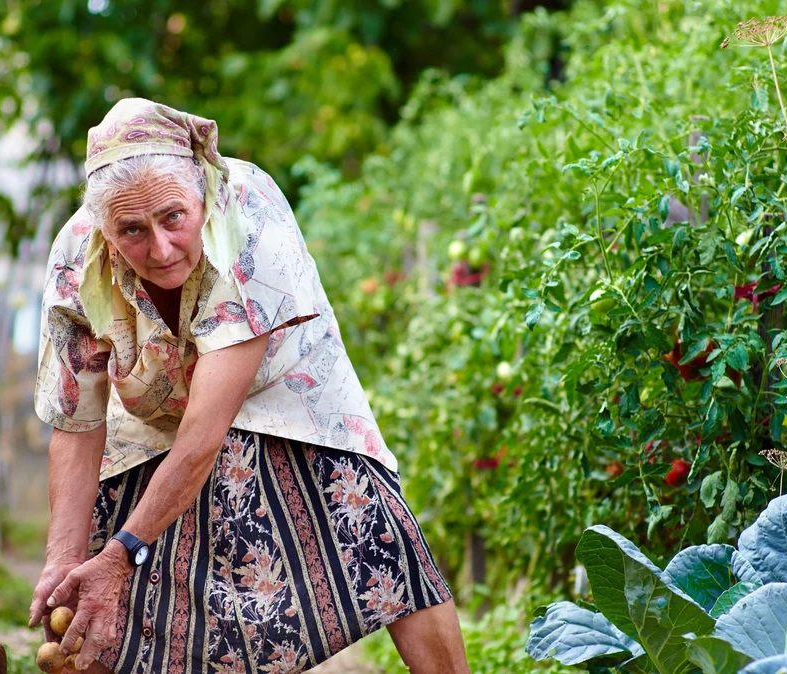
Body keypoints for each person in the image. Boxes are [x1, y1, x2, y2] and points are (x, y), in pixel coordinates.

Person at [27, 97, 468, 674]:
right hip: (152, 410)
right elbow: (78, 421)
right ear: (104, 230)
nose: (159, 249)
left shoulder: (248, 219)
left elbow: (206, 432)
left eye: (173, 218)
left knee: (380, 541)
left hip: (285, 389)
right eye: (132, 230)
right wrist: (64, 560)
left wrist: (121, 555)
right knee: (111, 594)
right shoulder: (75, 261)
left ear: (202, 195)